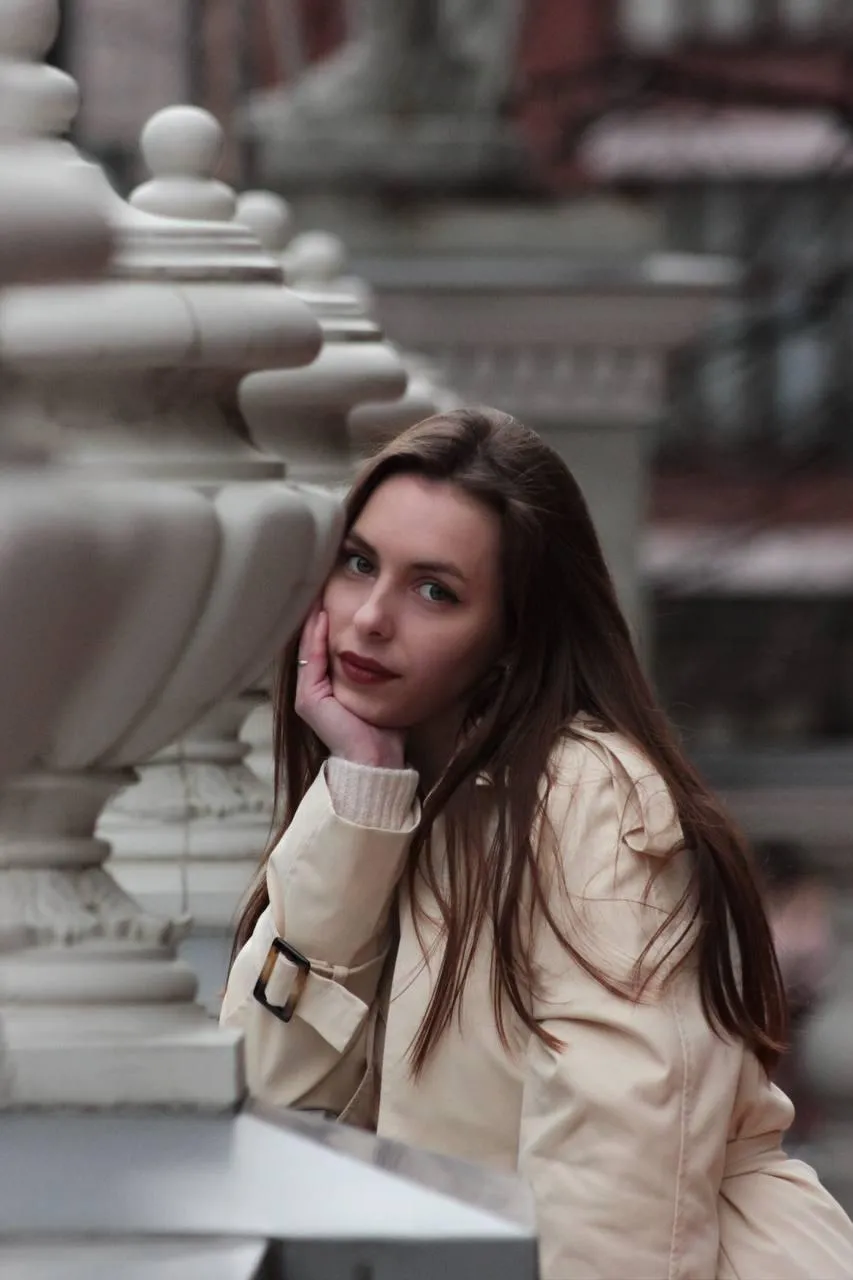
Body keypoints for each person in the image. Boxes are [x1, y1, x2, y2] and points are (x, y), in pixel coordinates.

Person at [222, 408, 853, 1279]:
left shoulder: (589, 802)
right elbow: (258, 1098)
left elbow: (621, 1193)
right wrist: (360, 797)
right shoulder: (400, 797)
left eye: (434, 590)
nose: (368, 618)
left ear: (512, 637)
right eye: (358, 563)